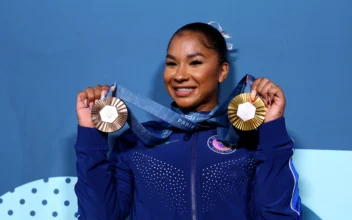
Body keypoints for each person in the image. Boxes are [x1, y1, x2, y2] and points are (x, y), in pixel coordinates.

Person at [74, 22, 302, 220]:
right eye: (172, 63)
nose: (180, 75)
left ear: (222, 71)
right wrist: (91, 134)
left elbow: (278, 216)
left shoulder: (251, 140)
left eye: (195, 63)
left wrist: (272, 128)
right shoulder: (135, 143)